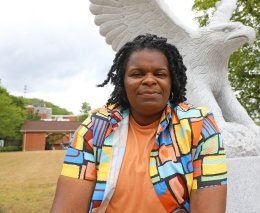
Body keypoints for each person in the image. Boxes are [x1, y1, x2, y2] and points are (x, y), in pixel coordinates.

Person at [51, 34, 227, 213]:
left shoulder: (198, 125)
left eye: (160, 74)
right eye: (137, 74)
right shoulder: (95, 127)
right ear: (123, 81)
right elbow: (68, 207)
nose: (149, 80)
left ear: (172, 81)